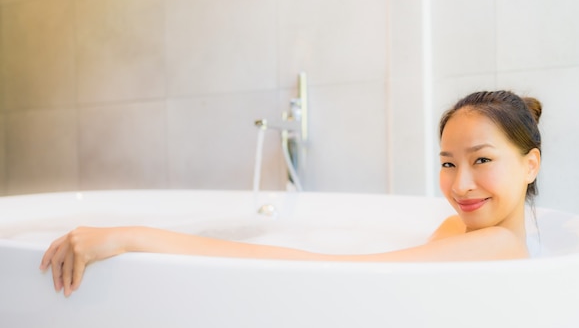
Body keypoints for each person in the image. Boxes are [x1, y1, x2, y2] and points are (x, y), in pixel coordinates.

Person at [40, 90, 542, 297]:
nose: (460, 184)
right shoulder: (468, 231)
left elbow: (319, 270)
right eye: (448, 164)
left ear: (530, 164)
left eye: (481, 161)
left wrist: (132, 236)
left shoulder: (494, 245)